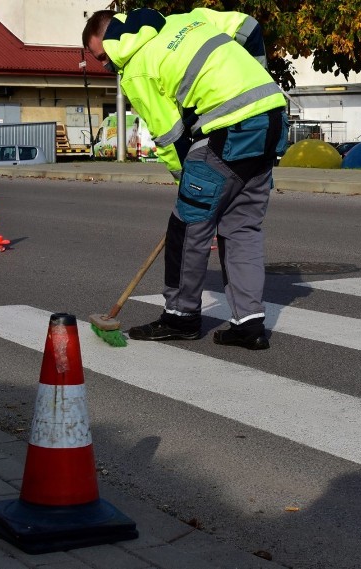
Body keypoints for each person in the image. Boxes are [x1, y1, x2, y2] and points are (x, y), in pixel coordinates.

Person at [83, 7, 288, 350]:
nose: (107, 66)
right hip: (271, 116)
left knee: (186, 226)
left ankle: (180, 317)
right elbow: (249, 27)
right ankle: (248, 324)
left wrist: (186, 184)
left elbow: (169, 135)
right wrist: (255, 77)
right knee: (242, 227)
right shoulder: (184, 19)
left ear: (114, 38)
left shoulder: (135, 69)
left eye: (104, 57)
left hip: (228, 126)